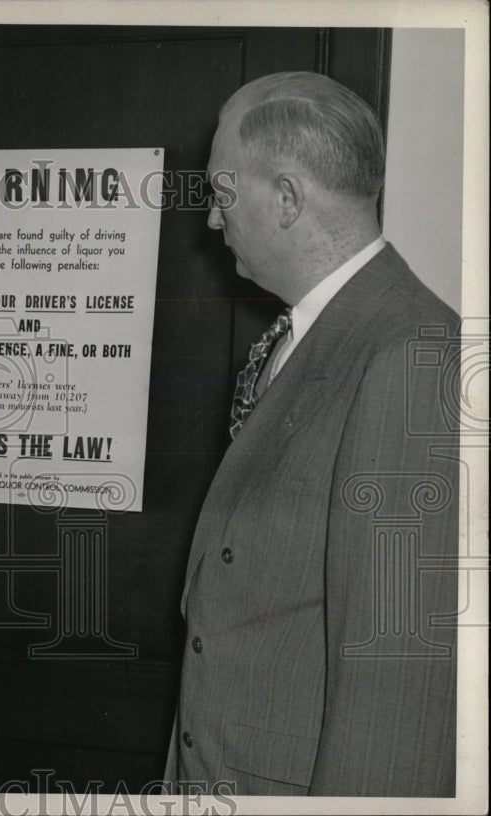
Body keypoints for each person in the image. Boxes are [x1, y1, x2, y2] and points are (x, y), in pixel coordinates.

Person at [164, 72, 458, 796]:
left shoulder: (410, 354)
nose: (210, 220)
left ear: (288, 199)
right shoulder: (312, 332)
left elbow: (399, 676)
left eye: (221, 195)